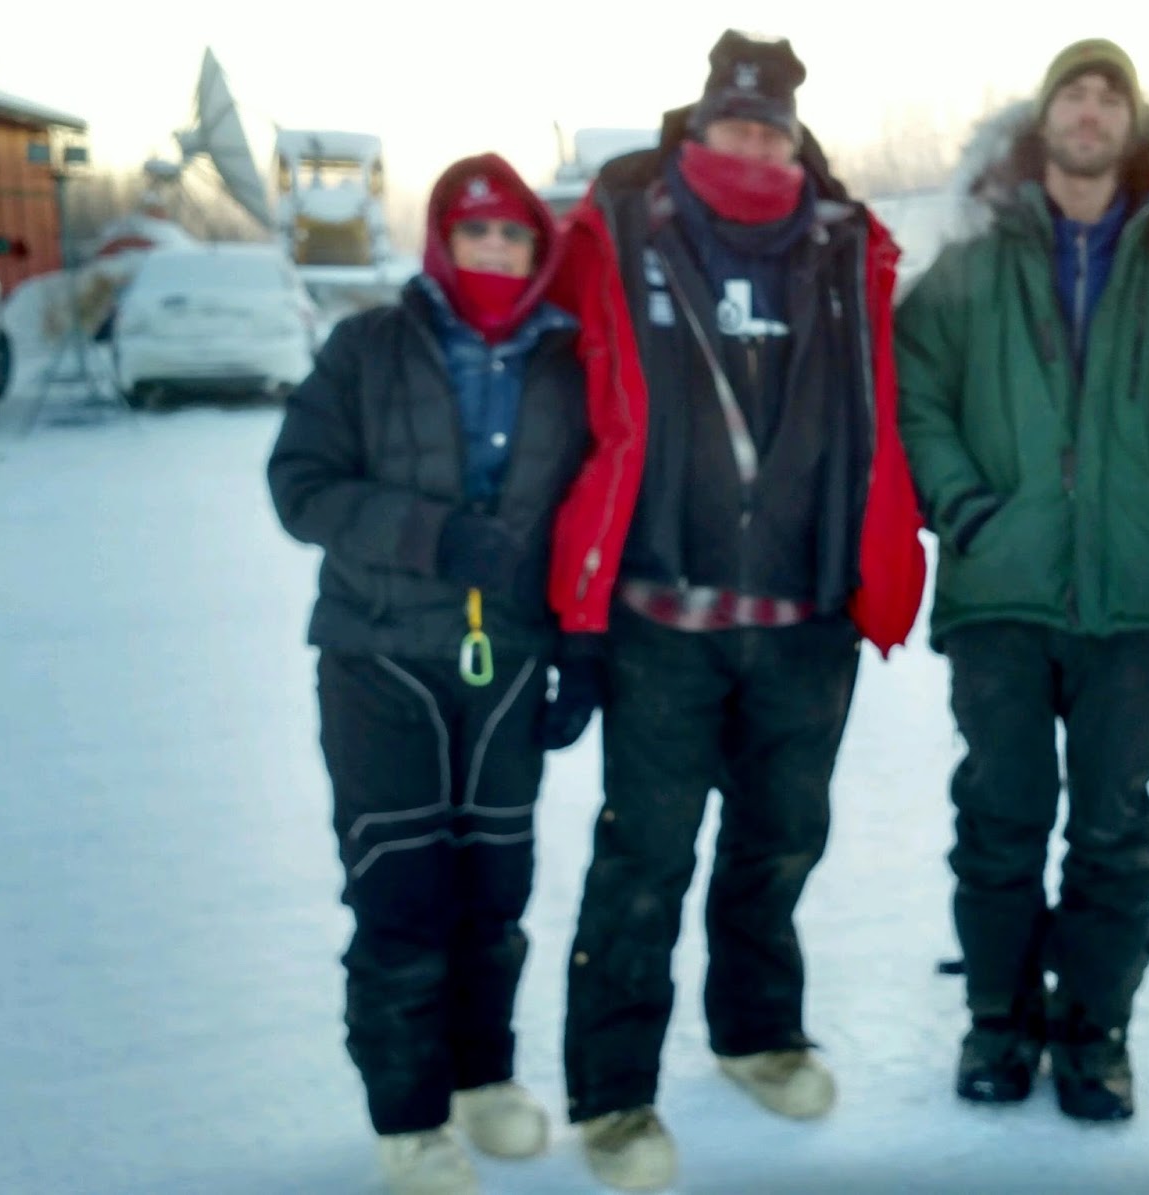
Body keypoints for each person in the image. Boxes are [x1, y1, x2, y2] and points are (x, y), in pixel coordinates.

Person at [548, 28, 926, 1192]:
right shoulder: (625, 227)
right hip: (662, 614)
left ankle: (757, 1034)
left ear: (794, 141)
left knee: (777, 844)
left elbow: (885, 402)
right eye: (734, 126)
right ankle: (614, 1093)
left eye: (771, 131)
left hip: (804, 614)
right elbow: (556, 376)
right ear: (697, 127)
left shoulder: (843, 243)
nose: (752, 147)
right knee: (645, 855)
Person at [894, 37, 1149, 1122]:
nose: (1090, 112)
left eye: (1109, 97)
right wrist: (962, 505)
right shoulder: (969, 262)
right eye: (1072, 95)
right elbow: (913, 387)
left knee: (1113, 827)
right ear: (1041, 121)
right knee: (999, 817)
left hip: (1131, 598)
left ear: (1134, 127)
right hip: (998, 590)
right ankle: (998, 1021)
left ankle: (1095, 1032)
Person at [267, 152, 602, 1195]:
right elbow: (299, 485)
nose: (494, 250)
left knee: (495, 888)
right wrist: (433, 535)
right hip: (378, 656)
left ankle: (482, 1076)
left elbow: (592, 509)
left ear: (538, 251)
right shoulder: (368, 345)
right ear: (441, 241)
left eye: (513, 235)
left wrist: (581, 643)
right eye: (475, 232)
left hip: (508, 660)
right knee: (401, 889)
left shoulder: (569, 361)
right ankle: (409, 1119)